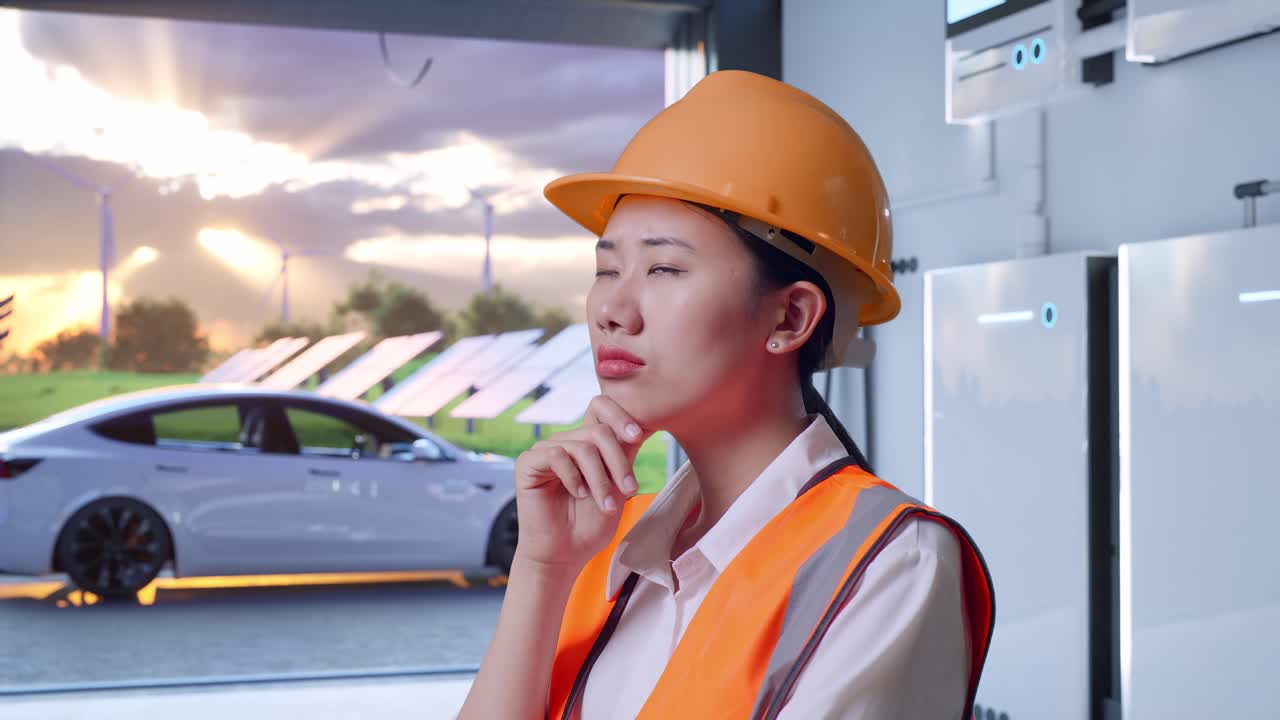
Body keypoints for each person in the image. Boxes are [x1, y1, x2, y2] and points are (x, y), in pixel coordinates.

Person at [459, 70, 994, 720]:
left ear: (790, 319)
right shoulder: (606, 538)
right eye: (606, 269)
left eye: (663, 268)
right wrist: (542, 568)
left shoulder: (890, 564)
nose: (611, 310)